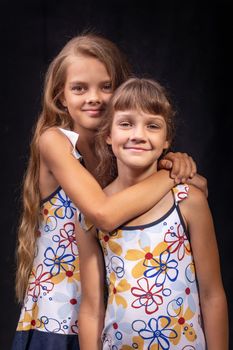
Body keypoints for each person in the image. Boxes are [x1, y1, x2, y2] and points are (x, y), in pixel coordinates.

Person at [12, 33, 206, 350]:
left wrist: (177, 166)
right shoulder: (54, 141)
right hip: (57, 319)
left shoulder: (121, 154)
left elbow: (198, 187)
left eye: (106, 86)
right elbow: (102, 214)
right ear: (60, 97)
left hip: (109, 324)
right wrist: (171, 173)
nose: (95, 98)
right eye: (79, 88)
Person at [78, 78, 228, 349]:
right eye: (126, 123)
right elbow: (91, 308)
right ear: (108, 134)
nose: (138, 134)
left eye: (152, 126)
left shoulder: (187, 200)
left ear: (166, 139)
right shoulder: (92, 213)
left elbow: (212, 294)